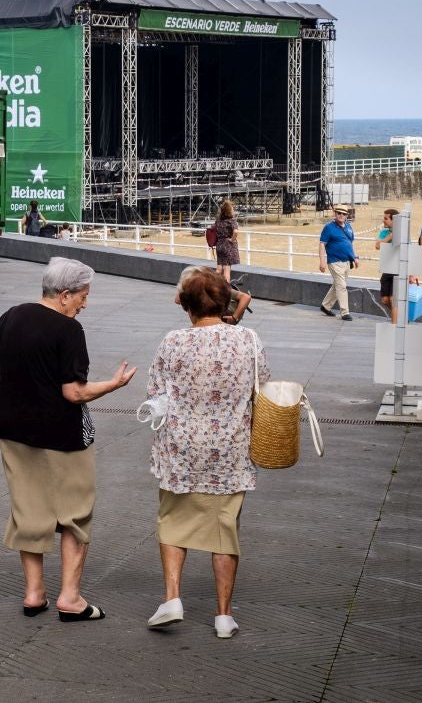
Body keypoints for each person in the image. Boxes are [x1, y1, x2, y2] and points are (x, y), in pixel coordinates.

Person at [0, 257, 136, 622]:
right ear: (65, 295)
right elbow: (74, 393)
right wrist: (113, 385)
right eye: (83, 296)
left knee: (28, 511)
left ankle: (34, 594)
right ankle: (70, 598)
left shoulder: (11, 315)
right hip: (63, 436)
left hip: (13, 430)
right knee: (75, 514)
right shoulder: (68, 331)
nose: (85, 303)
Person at [145, 266, 267, 637]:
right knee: (224, 528)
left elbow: (155, 393)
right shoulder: (247, 339)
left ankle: (172, 598)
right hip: (230, 449)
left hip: (179, 449)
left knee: (173, 521)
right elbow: (263, 388)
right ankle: (224, 615)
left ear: (186, 306)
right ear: (224, 300)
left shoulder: (172, 342)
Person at [318, 205, 358, 321]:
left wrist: (355, 257)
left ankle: (325, 306)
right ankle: (345, 312)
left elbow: (350, 243)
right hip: (335, 262)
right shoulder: (328, 228)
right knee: (342, 286)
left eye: (344, 214)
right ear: (335, 214)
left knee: (337, 285)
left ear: (347, 216)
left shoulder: (349, 227)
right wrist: (322, 262)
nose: (341, 215)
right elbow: (322, 244)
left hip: (346, 262)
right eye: (339, 213)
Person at [375, 209, 400, 323]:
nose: (383, 220)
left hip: (398, 270)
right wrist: (390, 236)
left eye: (386, 218)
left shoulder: (402, 234)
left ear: (393, 220)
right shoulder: (384, 233)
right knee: (385, 300)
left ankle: (394, 325)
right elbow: (378, 246)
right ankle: (400, 317)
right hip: (387, 270)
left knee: (393, 299)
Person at [212, 200, 241, 283]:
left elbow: (213, 228)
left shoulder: (218, 221)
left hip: (219, 245)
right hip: (227, 246)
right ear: (229, 210)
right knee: (226, 270)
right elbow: (236, 232)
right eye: (232, 209)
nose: (233, 210)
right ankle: (225, 290)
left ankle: (213, 286)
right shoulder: (232, 221)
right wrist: (232, 240)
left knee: (218, 269)